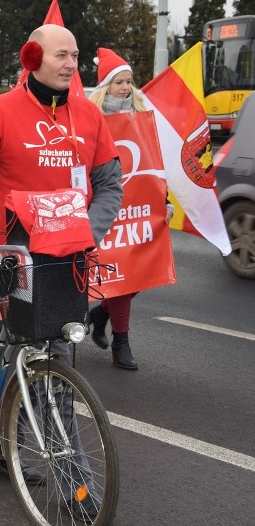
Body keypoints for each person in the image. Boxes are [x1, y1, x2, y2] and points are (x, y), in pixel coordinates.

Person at [0, 25, 123, 512]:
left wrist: (87, 233)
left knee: (38, 345)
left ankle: (0, 442)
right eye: (62, 55)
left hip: (69, 258)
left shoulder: (89, 115)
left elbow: (110, 185)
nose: (71, 64)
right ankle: (75, 482)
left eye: (76, 56)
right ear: (33, 55)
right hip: (15, 256)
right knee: (42, 345)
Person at [87, 47, 173, 371]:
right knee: (121, 273)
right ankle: (121, 341)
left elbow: (153, 165)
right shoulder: (91, 118)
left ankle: (101, 313)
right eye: (118, 82)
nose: (125, 87)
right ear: (105, 86)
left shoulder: (143, 119)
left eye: (128, 81)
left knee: (139, 272)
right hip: (104, 205)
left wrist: (162, 202)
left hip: (137, 205)